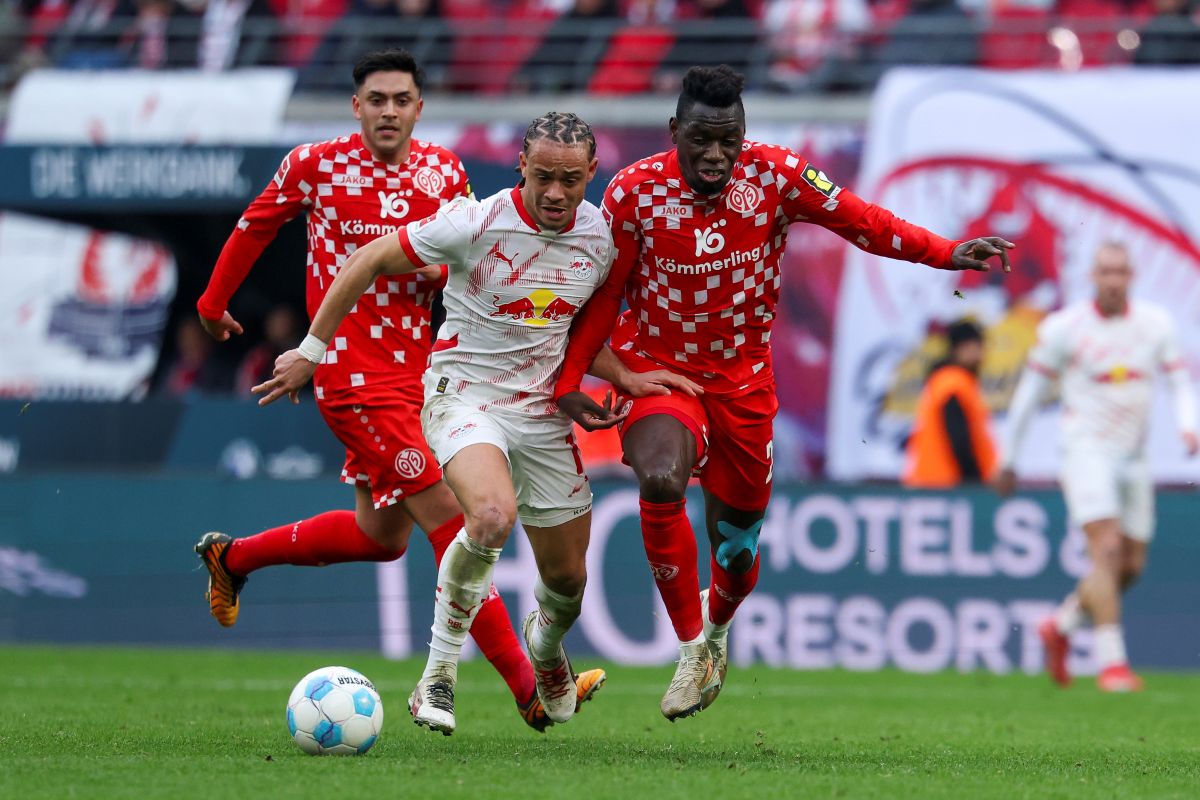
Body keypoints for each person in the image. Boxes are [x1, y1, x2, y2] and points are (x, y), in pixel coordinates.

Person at [554, 64, 1014, 721]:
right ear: (673, 131)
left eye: (730, 140)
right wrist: (573, 379)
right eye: (702, 140)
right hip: (663, 374)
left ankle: (716, 630)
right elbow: (603, 299)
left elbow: (863, 221)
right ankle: (690, 652)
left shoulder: (775, 175)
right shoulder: (633, 194)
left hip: (743, 384)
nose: (716, 155)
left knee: (736, 554)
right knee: (658, 477)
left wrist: (944, 253)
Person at [192, 50, 602, 733]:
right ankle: (529, 691)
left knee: (381, 536)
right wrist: (214, 302)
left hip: (419, 372)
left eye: (400, 99)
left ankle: (231, 557)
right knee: (454, 521)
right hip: (353, 378)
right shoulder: (315, 164)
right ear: (357, 106)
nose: (387, 110)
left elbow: (463, 268)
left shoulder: (445, 174)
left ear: (418, 108)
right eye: (375, 98)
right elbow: (255, 224)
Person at [254, 111, 698, 735]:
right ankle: (437, 675)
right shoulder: (477, 221)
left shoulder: (599, 239)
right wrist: (312, 349)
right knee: (489, 516)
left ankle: (545, 651)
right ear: (521, 166)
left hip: (542, 414)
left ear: (591, 174)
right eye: (542, 176)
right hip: (465, 396)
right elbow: (369, 257)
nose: (554, 193)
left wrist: (621, 376)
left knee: (567, 581)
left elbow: (569, 327)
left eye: (569, 180)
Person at [996, 241, 1198, 693]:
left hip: (1133, 458)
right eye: (1105, 272)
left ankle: (1061, 625)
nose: (1113, 281)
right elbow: (1029, 393)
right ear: (1092, 275)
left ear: (1132, 276)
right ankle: (1112, 666)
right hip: (1085, 451)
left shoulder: (1155, 324)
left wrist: (1188, 426)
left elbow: (1180, 381)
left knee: (1130, 566)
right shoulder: (1064, 328)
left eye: (1120, 272)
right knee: (1105, 548)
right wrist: (1009, 457)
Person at [903, 319, 998, 488]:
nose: (981, 355)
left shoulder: (948, 380)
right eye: (976, 347)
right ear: (960, 348)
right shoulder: (953, 383)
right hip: (945, 487)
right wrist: (974, 483)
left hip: (936, 485)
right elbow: (958, 438)